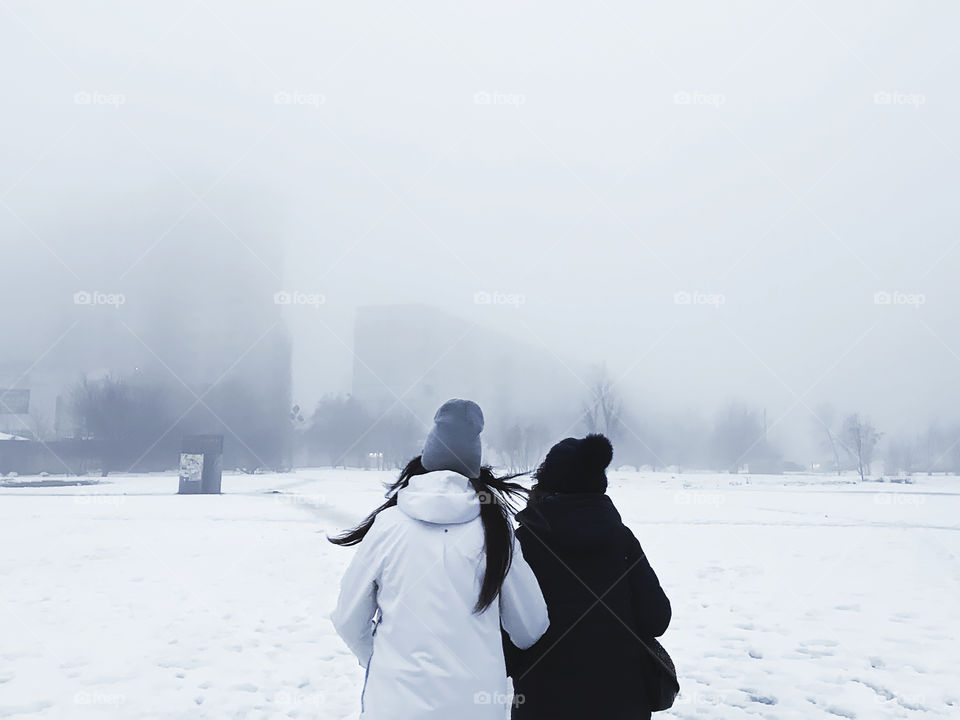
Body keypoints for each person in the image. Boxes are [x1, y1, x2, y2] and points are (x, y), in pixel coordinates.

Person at [330, 399, 550, 720]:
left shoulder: (389, 525)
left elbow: (348, 619)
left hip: (394, 704)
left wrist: (382, 661)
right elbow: (531, 626)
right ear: (474, 463)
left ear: (426, 458)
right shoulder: (495, 529)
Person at [504, 434, 671, 720]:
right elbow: (657, 618)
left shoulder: (522, 543)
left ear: (545, 483)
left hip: (542, 703)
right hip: (622, 703)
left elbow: (507, 636)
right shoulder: (622, 540)